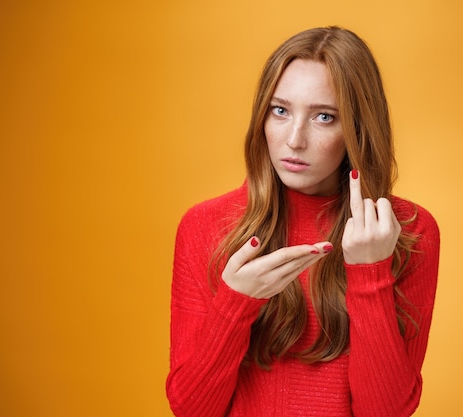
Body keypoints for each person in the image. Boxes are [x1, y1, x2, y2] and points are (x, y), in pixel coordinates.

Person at [166, 26, 440, 417]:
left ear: (357, 129)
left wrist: (370, 272)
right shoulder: (204, 225)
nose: (294, 139)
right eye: (280, 110)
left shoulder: (407, 231)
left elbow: (384, 411)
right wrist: (235, 304)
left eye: (324, 117)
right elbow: (192, 410)